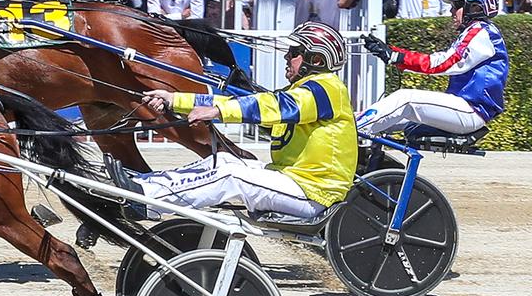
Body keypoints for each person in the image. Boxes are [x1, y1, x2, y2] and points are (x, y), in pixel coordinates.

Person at [107, 21, 357, 221]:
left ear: (316, 60)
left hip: (314, 192)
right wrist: (175, 100)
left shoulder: (327, 89)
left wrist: (216, 111)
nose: (286, 57)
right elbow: (259, 107)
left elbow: (273, 106)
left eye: (294, 53)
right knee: (225, 159)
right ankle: (143, 184)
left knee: (231, 175)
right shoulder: (306, 90)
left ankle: (149, 201)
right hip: (293, 180)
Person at [360, 0, 509, 137]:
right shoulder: (475, 31)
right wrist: (391, 52)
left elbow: (442, 63)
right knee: (390, 117)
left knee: (405, 99)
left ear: (475, 7)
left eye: (457, 6)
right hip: (465, 108)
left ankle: (352, 131)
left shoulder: (480, 32)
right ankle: (361, 139)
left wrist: (396, 56)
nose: (451, 11)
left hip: (471, 110)